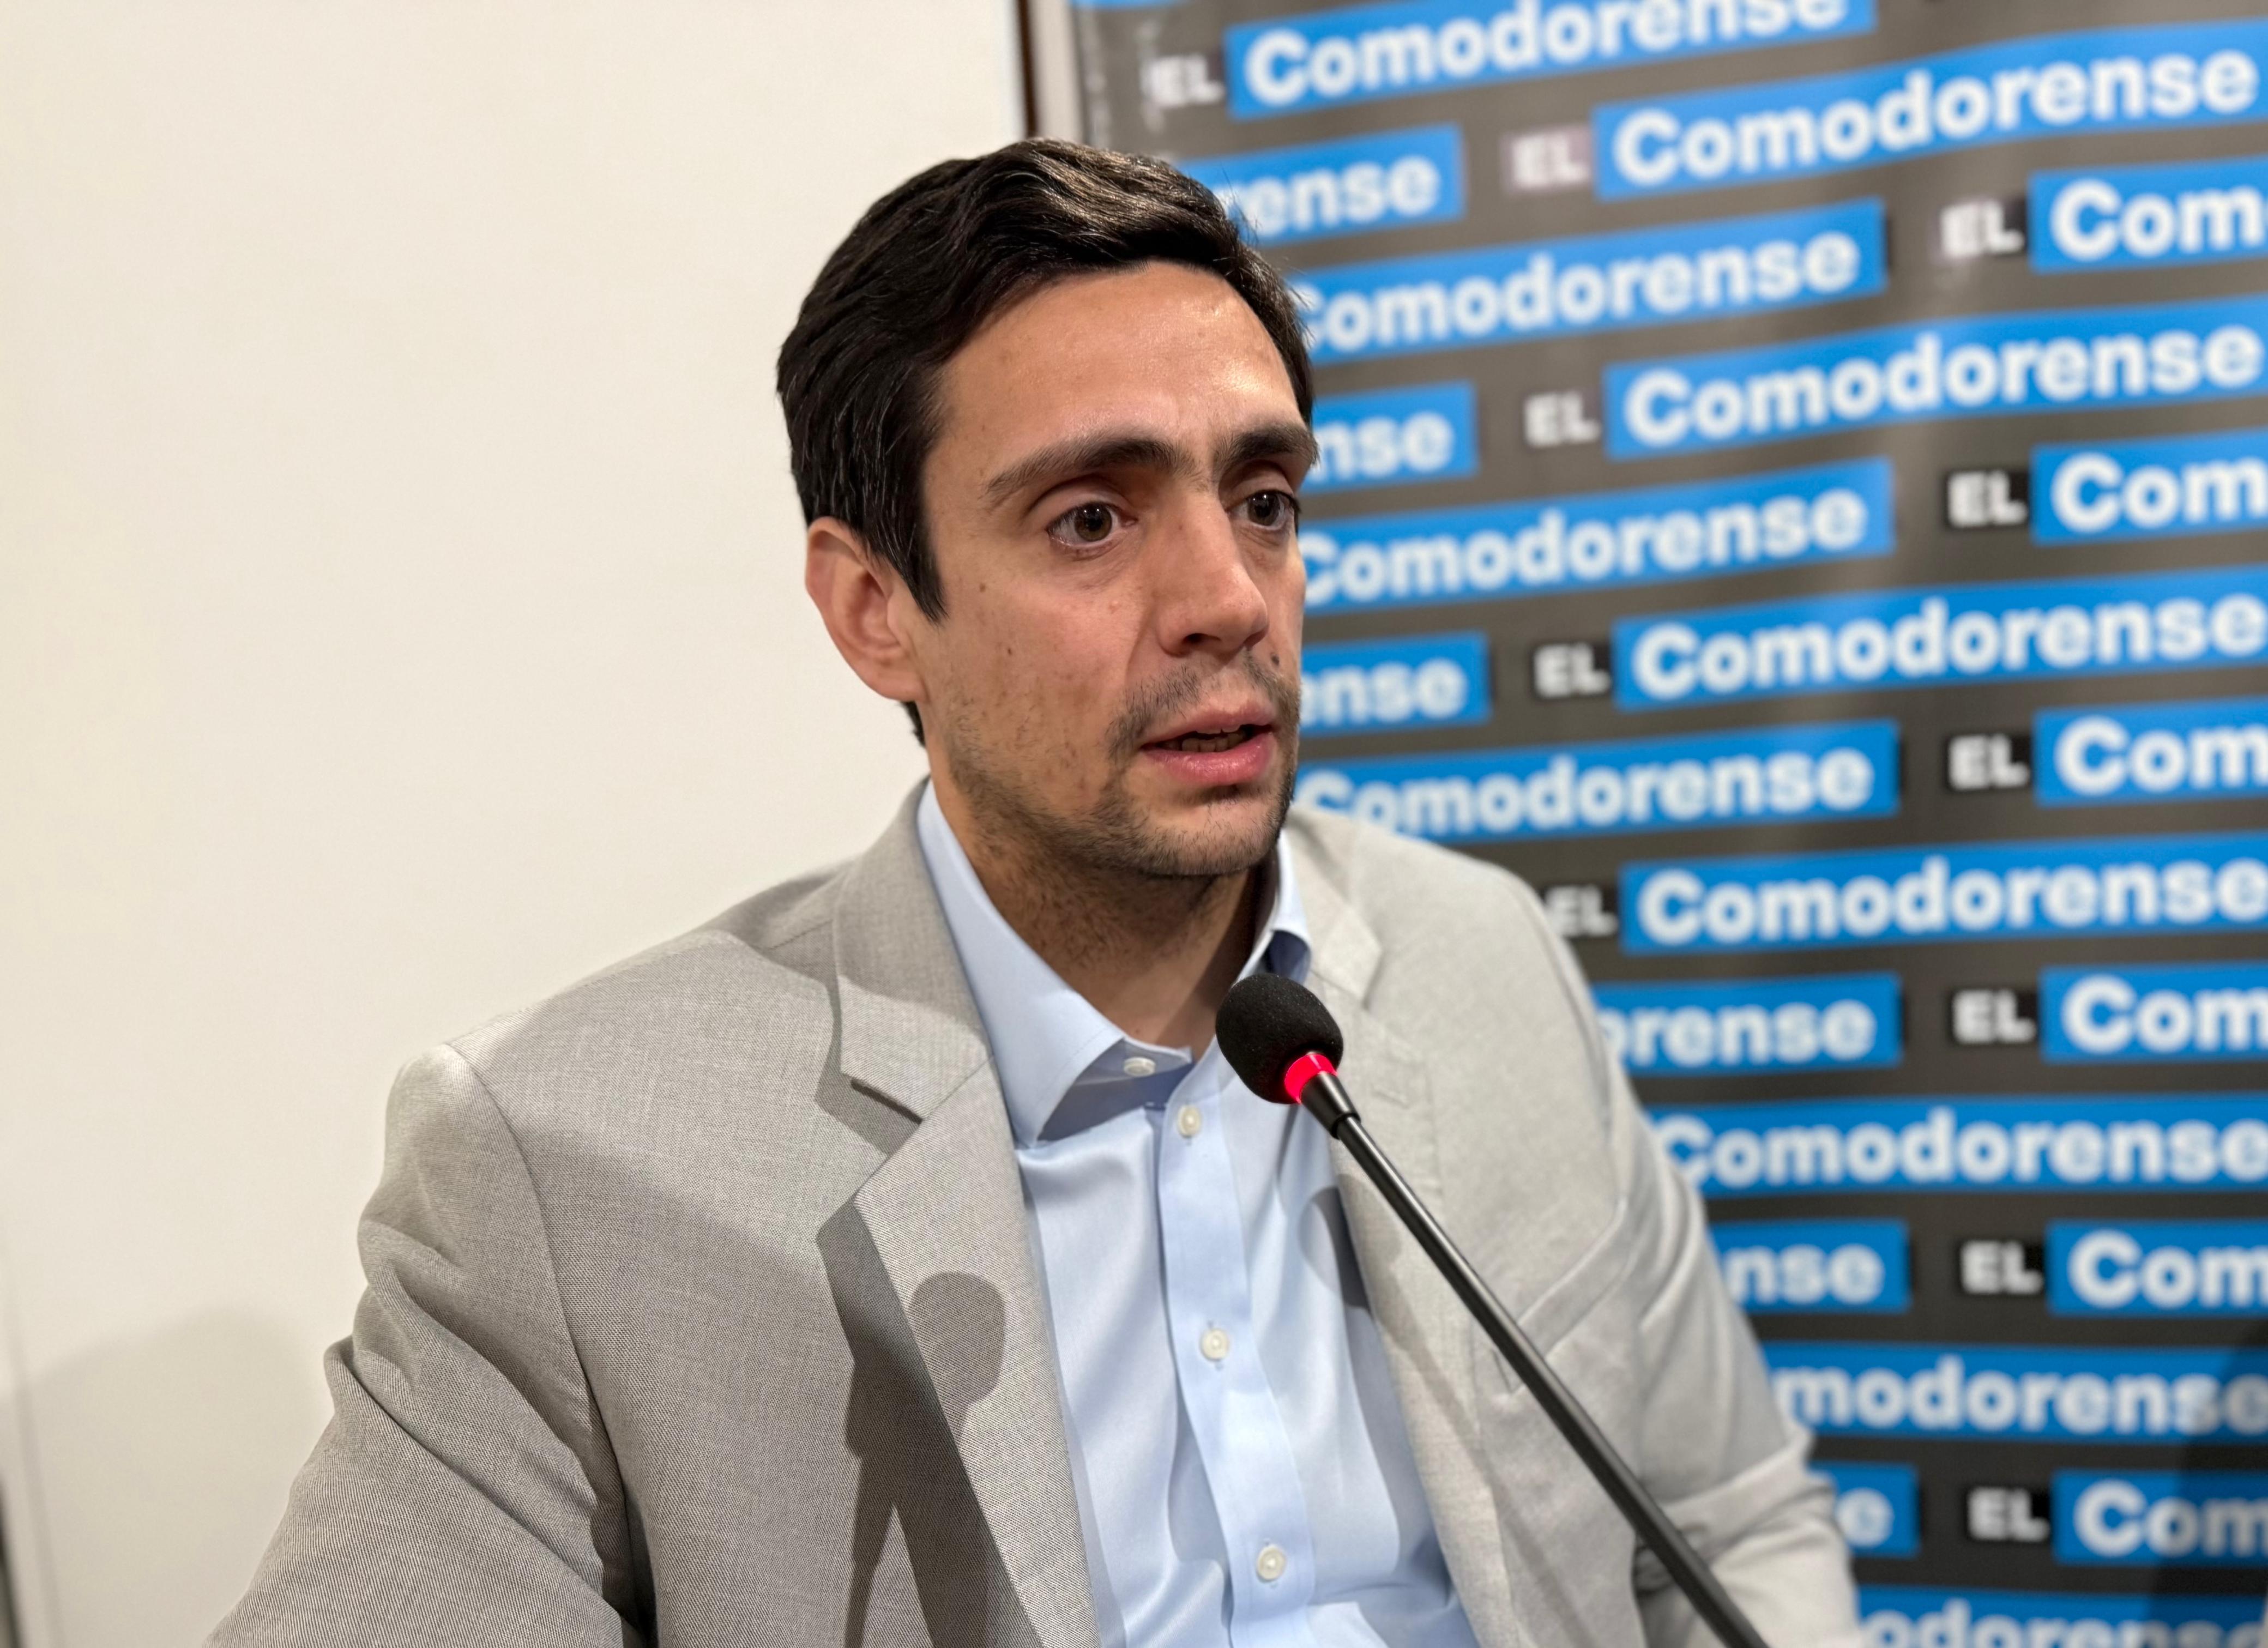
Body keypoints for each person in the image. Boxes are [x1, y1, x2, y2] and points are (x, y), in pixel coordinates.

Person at [212, 138, 1861, 1648]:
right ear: (876, 612)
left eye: (1264, 502)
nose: (1229, 598)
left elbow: (1729, 1522)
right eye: (1090, 520)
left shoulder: (1479, 956)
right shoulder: (570, 1163)